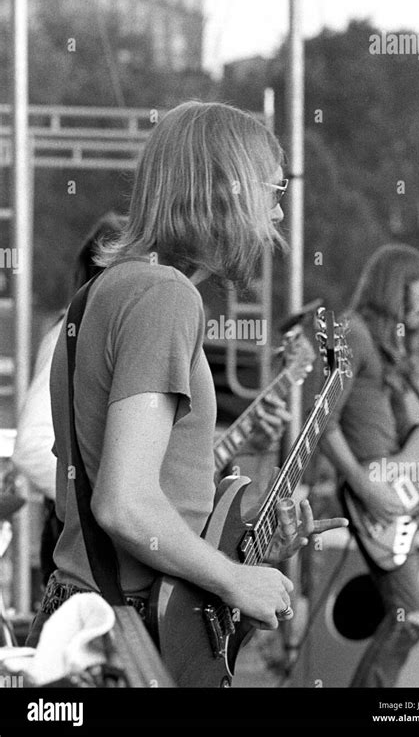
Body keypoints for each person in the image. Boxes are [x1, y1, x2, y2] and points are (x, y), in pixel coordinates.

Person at [26, 102, 346, 660]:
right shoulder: (166, 296)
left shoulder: (97, 298)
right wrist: (233, 580)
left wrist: (242, 545)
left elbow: (103, 493)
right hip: (129, 636)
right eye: (273, 192)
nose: (277, 217)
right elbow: (124, 504)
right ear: (225, 190)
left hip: (85, 617)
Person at [319, 243, 419, 688]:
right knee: (411, 617)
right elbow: (322, 424)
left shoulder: (390, 349)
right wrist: (368, 489)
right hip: (373, 496)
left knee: (408, 617)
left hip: (393, 484)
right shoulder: (354, 333)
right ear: (397, 287)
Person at [10, 211, 127, 587]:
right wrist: (98, 506)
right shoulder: (70, 334)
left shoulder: (116, 336)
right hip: (81, 551)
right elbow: (31, 447)